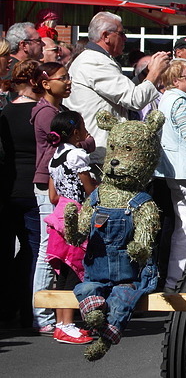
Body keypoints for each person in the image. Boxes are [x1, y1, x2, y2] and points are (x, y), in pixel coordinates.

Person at [31, 62, 96, 335]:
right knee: (56, 257)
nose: (68, 82)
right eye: (63, 78)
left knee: (60, 258)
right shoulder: (47, 114)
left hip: (59, 197)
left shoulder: (57, 114)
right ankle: (46, 315)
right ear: (46, 83)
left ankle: (58, 316)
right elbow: (88, 185)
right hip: (67, 200)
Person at [64, 11, 169, 165]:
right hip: (98, 154)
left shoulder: (97, 59)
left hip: (100, 151)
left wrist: (146, 73)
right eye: (121, 33)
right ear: (106, 36)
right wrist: (154, 73)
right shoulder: (95, 62)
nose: (126, 38)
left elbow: (127, 91)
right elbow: (135, 99)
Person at [44, 111, 96, 345]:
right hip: (77, 215)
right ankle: (67, 325)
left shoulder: (55, 156)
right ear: (76, 132)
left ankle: (62, 324)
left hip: (59, 216)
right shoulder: (77, 155)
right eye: (84, 126)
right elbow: (89, 190)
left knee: (63, 272)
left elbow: (52, 195)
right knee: (74, 270)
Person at [0, 60, 43, 330]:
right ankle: (28, 310)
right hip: (32, 189)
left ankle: (6, 308)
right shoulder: (41, 113)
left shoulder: (4, 112)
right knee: (34, 251)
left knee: (9, 251)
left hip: (7, 189)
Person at [155, 60, 186, 292]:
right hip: (185, 170)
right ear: (175, 80)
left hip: (172, 170)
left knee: (184, 226)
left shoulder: (166, 99)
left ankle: (174, 282)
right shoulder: (180, 102)